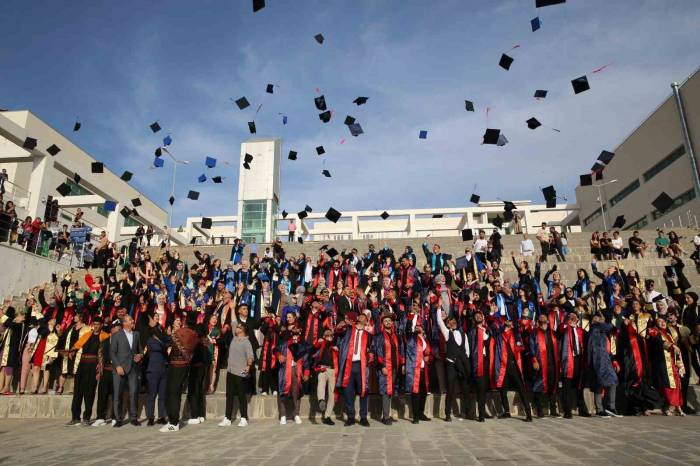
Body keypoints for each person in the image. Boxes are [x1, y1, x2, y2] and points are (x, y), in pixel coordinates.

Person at [66, 316, 109, 426]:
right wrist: (72, 351)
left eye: (98, 324)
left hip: (94, 365)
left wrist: (100, 366)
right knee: (77, 391)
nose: (96, 326)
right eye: (94, 324)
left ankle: (86, 417)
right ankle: (75, 417)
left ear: (101, 325)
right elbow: (77, 345)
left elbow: (104, 353)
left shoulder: (105, 336)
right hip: (82, 364)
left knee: (89, 392)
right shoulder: (87, 335)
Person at [161, 314, 198, 432]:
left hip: (176, 365)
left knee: (172, 393)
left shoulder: (180, 333)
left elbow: (166, 341)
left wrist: (157, 329)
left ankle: (173, 422)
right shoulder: (194, 334)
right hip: (184, 366)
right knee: (175, 392)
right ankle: (173, 420)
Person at [490, 318, 532, 422]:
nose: (508, 321)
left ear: (512, 325)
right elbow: (492, 329)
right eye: (507, 320)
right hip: (503, 365)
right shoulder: (499, 334)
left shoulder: (516, 334)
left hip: (514, 365)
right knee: (503, 390)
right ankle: (507, 411)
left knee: (521, 389)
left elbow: (521, 347)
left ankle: (528, 414)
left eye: (510, 321)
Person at [336, 312, 372, 426]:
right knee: (348, 391)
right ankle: (351, 417)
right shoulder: (348, 330)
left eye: (364, 317)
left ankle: (363, 417)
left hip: (361, 366)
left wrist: (370, 355)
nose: (362, 317)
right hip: (348, 365)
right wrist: (340, 325)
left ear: (366, 321)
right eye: (360, 315)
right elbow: (338, 333)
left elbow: (372, 349)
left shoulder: (368, 335)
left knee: (363, 391)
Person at [435, 309, 470, 421]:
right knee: (450, 389)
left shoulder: (464, 334)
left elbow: (467, 351)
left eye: (454, 320)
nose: (452, 322)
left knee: (465, 389)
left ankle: (467, 412)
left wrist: (463, 362)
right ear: (448, 323)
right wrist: (439, 308)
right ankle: (448, 414)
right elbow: (439, 321)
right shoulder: (447, 333)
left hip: (462, 365)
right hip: (451, 365)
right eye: (450, 321)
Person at [219, 322, 254, 427]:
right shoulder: (234, 338)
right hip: (230, 371)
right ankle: (227, 418)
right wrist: (233, 308)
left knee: (241, 396)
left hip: (240, 373)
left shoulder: (246, 342)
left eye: (238, 327)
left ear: (242, 330)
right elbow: (233, 321)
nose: (236, 327)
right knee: (229, 395)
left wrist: (248, 366)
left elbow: (250, 356)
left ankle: (244, 418)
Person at [110, 315, 143, 427]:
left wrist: (140, 355)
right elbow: (112, 353)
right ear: (124, 323)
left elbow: (140, 349)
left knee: (134, 393)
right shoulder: (116, 335)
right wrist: (118, 366)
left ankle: (133, 418)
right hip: (119, 369)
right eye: (130, 319)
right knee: (118, 394)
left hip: (133, 368)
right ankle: (118, 419)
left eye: (132, 319)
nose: (133, 320)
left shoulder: (137, 334)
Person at [372, 311, 403, 425]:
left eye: (389, 321)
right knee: (385, 391)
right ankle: (385, 417)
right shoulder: (379, 336)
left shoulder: (396, 336)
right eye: (385, 321)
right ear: (382, 323)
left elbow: (400, 352)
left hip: (395, 368)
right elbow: (378, 353)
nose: (388, 322)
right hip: (385, 368)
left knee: (391, 392)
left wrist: (403, 364)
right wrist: (382, 366)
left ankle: (387, 414)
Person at [529, 313, 560, 418]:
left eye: (544, 317)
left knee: (553, 386)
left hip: (553, 363)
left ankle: (553, 410)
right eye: (540, 317)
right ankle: (539, 410)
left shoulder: (553, 333)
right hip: (540, 363)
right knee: (538, 386)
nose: (542, 318)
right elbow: (531, 347)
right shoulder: (534, 333)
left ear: (547, 320)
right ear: (538, 320)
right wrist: (534, 360)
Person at [145, 318, 169, 426]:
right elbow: (160, 348)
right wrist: (165, 343)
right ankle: (150, 417)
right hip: (153, 370)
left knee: (162, 395)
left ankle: (161, 416)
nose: (161, 331)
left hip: (163, 369)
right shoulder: (151, 340)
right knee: (152, 394)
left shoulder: (162, 340)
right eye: (159, 330)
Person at [313, 328, 338, 425]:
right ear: (324, 336)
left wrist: (336, 348)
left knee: (332, 394)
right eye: (327, 335)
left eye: (331, 335)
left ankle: (327, 416)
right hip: (322, 368)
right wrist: (321, 340)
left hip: (332, 370)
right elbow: (315, 346)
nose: (329, 337)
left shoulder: (335, 346)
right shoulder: (321, 343)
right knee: (321, 383)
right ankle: (321, 400)